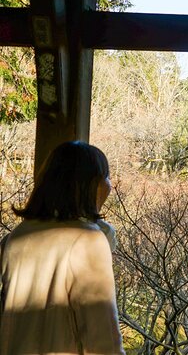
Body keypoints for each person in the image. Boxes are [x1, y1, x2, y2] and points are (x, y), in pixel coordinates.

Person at [0, 141, 125, 355]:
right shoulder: (88, 240)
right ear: (89, 184)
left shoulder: (18, 236)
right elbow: (103, 336)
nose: (110, 185)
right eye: (106, 176)